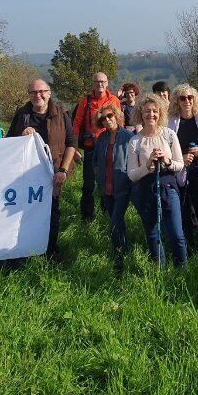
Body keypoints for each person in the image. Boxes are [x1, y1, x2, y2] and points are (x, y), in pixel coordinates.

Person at [7, 79, 78, 259]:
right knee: (25, 212)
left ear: (49, 93)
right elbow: (8, 142)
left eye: (42, 91)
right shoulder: (22, 114)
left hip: (54, 172)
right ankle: (24, 249)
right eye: (33, 92)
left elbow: (71, 143)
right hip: (25, 174)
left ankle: (50, 252)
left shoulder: (61, 114)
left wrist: (63, 170)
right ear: (29, 95)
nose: (38, 95)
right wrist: (22, 136)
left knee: (52, 211)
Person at [128, 92, 187, 267]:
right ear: (141, 113)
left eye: (155, 111)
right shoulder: (135, 141)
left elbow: (179, 164)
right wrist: (147, 166)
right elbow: (132, 174)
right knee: (153, 234)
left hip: (168, 186)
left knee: (177, 234)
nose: (151, 114)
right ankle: (159, 271)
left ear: (160, 113)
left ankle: (182, 270)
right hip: (146, 188)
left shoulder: (169, 135)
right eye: (147, 111)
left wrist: (167, 161)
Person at [168, 84, 198, 253]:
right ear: (177, 101)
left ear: (195, 99)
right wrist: (180, 158)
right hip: (178, 173)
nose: (187, 101)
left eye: (190, 97)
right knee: (183, 211)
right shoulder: (170, 123)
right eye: (182, 98)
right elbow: (165, 148)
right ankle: (188, 249)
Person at [93, 105, 139, 269]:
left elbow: (135, 161)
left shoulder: (128, 137)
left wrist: (128, 179)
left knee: (114, 222)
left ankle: (118, 257)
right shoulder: (102, 138)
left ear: (116, 115)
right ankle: (124, 249)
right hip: (106, 188)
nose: (107, 120)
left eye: (110, 116)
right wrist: (98, 174)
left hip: (123, 188)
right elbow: (95, 160)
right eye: (103, 119)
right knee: (117, 222)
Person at [72, 72, 122, 222]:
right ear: (93, 84)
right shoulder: (85, 101)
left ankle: (108, 215)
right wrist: (74, 148)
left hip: (110, 145)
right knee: (89, 184)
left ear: (107, 83)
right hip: (91, 148)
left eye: (103, 82)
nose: (100, 84)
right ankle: (87, 218)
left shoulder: (114, 100)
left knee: (108, 183)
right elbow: (77, 124)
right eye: (97, 82)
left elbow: (120, 122)